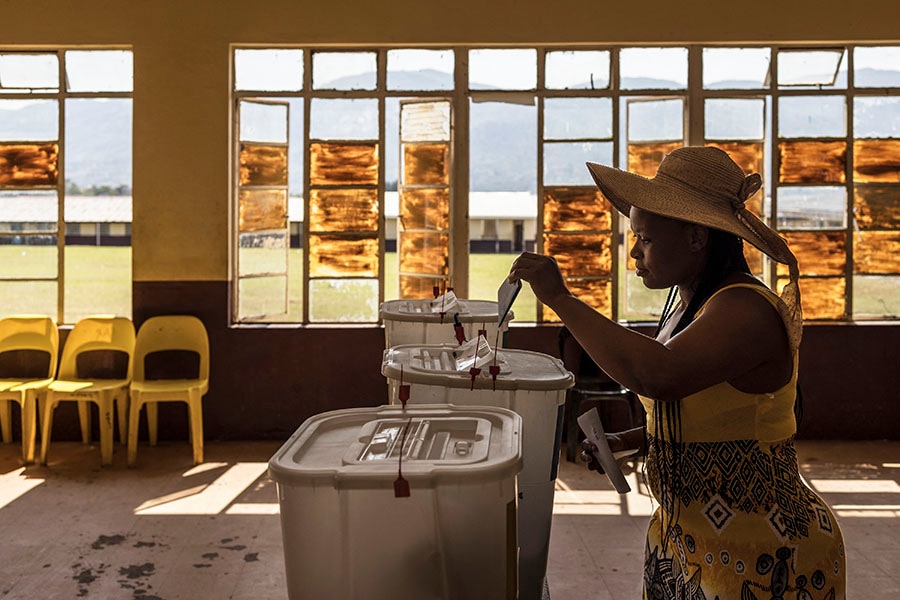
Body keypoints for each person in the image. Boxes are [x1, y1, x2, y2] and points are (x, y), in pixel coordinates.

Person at [508, 146, 846, 599]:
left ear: (695, 238)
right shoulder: (691, 305)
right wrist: (630, 441)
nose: (634, 252)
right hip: (685, 543)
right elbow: (711, 414)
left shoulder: (745, 308)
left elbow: (660, 375)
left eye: (645, 239)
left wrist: (562, 300)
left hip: (764, 551)